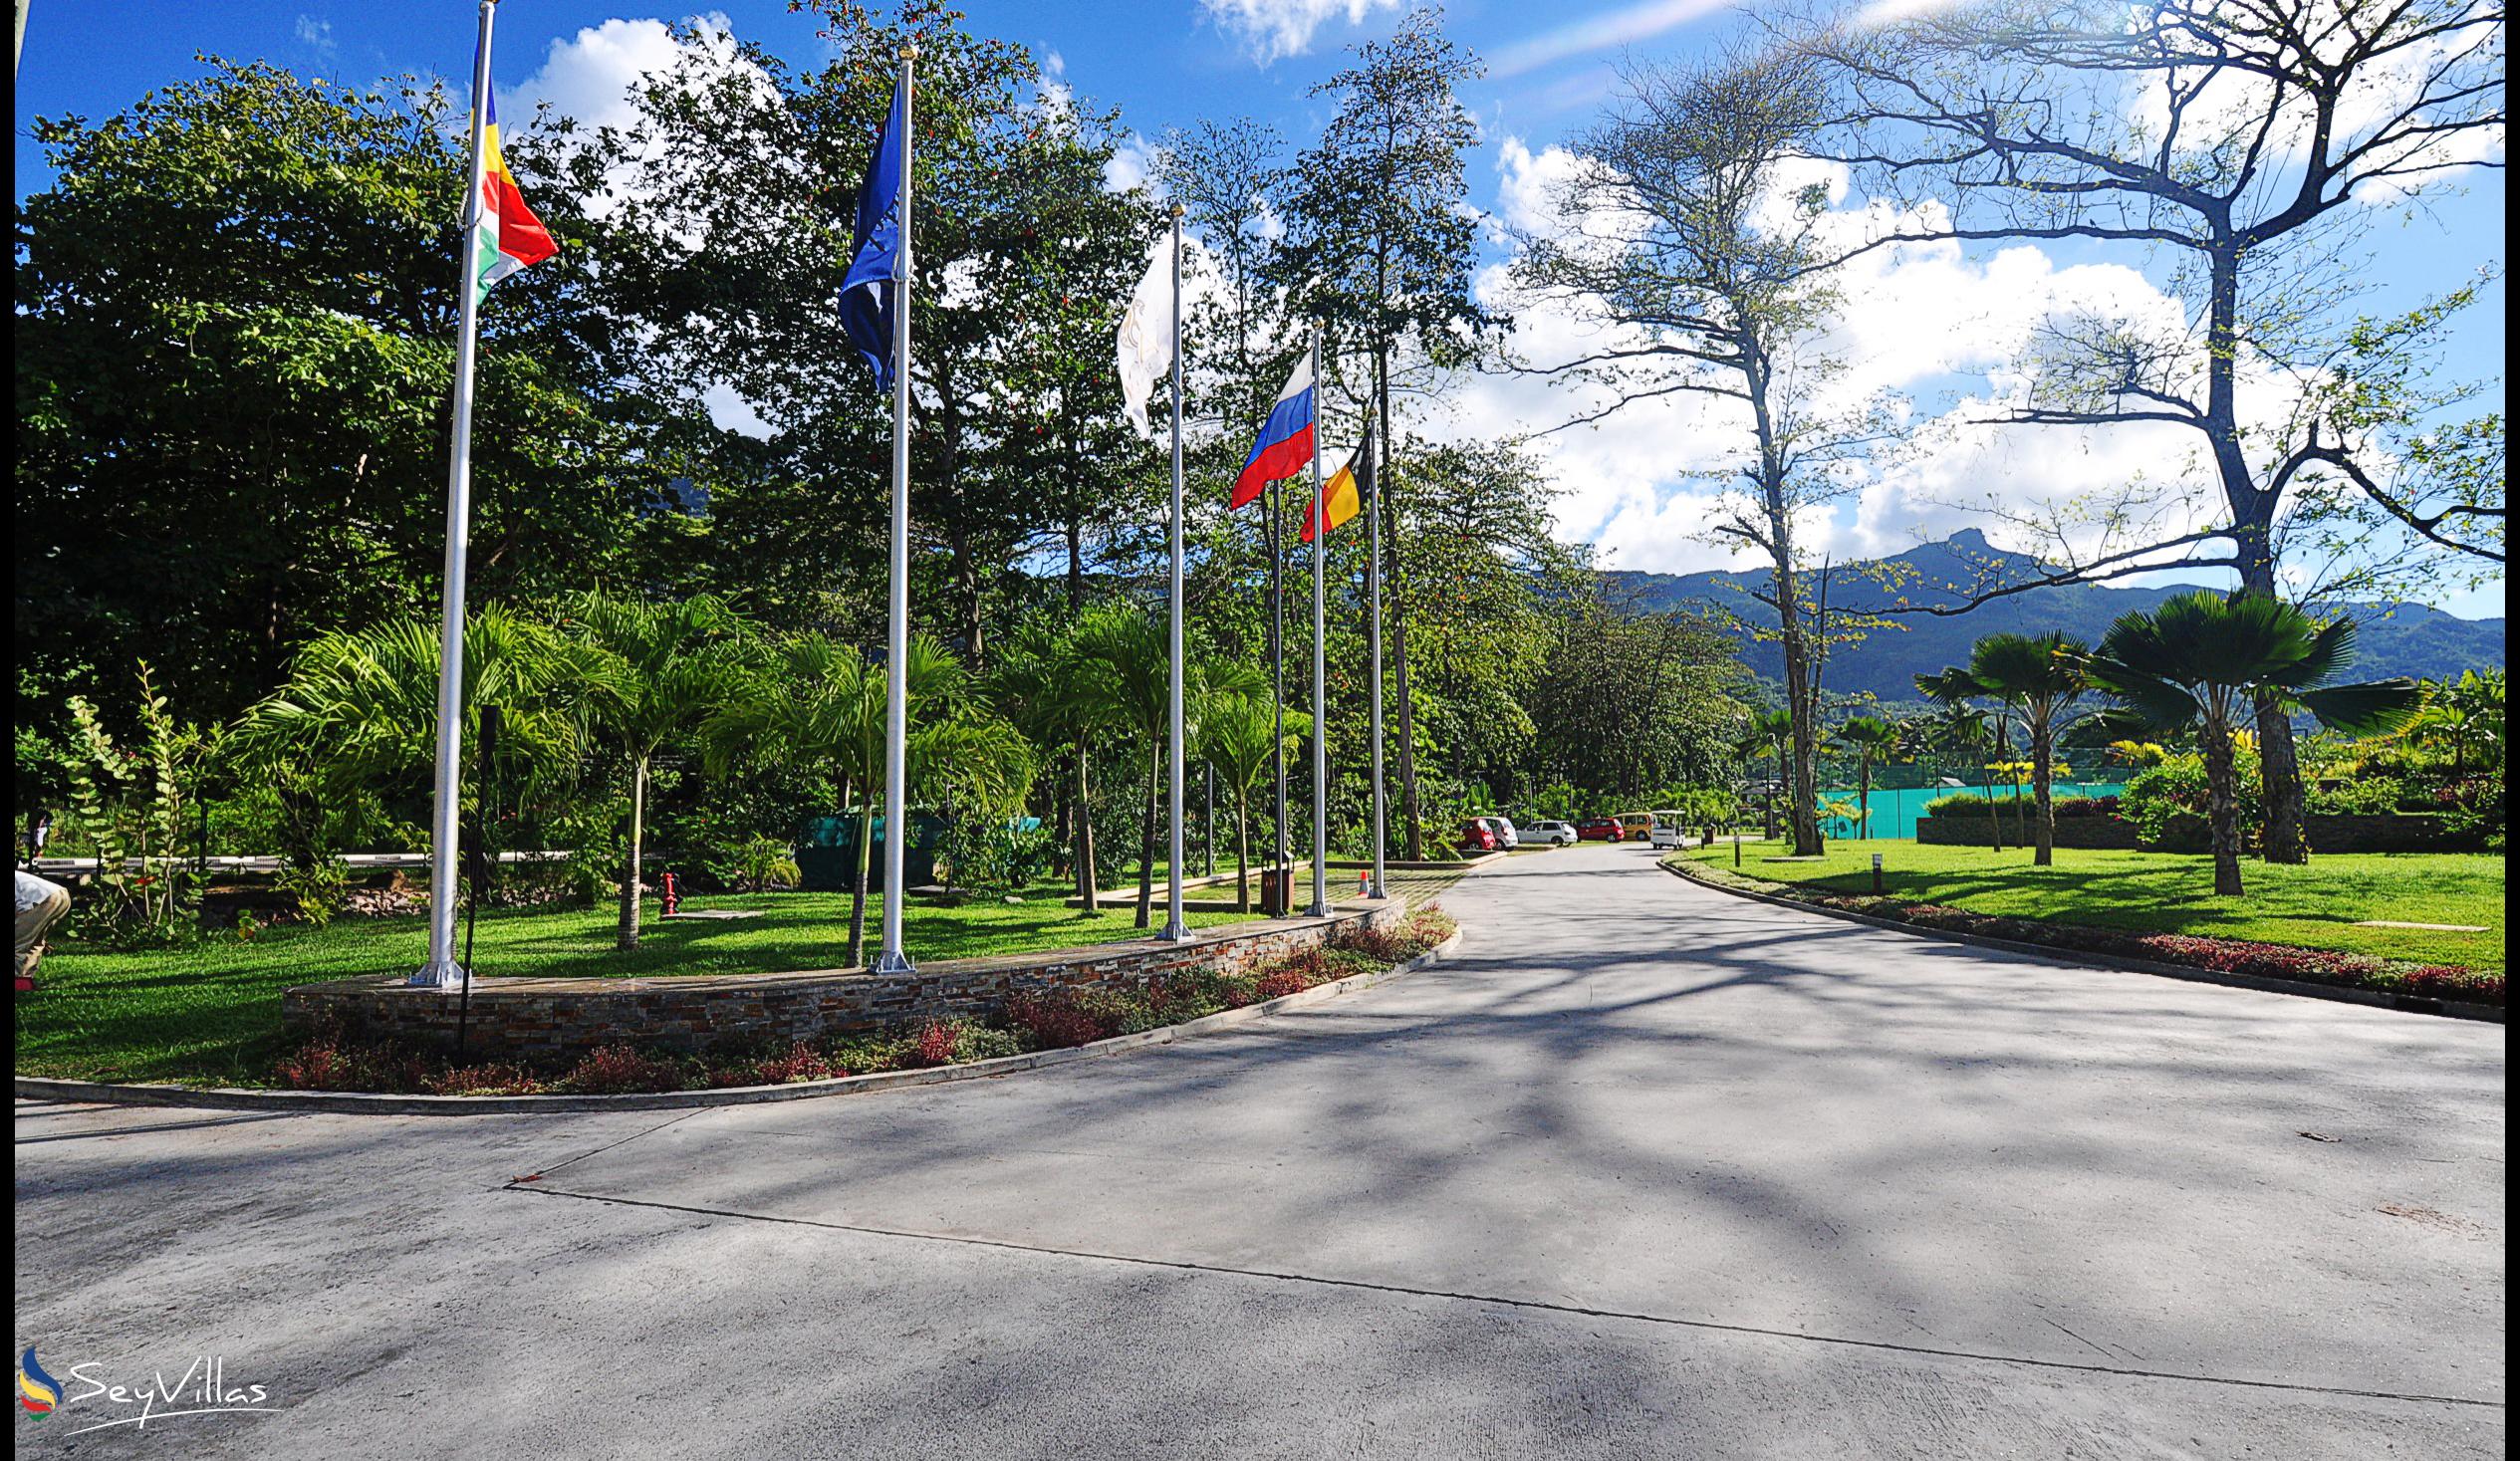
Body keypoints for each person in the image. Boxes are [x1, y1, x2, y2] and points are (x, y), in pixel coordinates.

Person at [16, 868, 71, 989]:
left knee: (17, 944)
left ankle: (18, 983)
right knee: (33, 943)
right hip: (61, 895)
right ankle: (24, 983)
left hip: (42, 899)